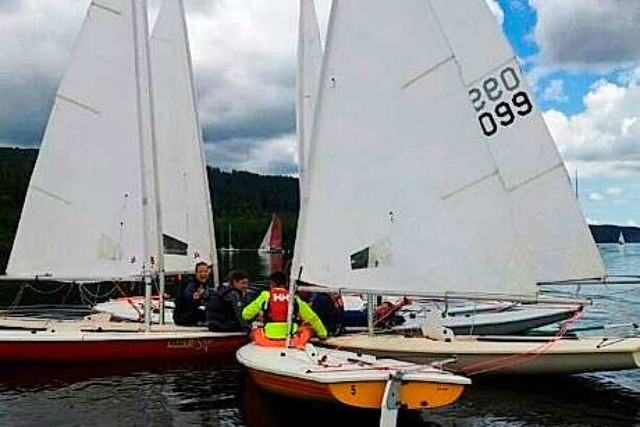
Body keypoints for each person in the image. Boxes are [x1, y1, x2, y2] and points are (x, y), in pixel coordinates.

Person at [242, 271, 327, 348]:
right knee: (308, 328)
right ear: (286, 284)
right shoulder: (294, 298)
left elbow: (246, 314)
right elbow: (313, 318)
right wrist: (323, 334)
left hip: (267, 339)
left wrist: (260, 313)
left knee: (254, 331)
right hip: (292, 340)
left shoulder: (265, 296)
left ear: (271, 284)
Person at [173, 261, 211, 326]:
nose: (203, 274)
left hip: (189, 314)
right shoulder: (191, 284)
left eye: (205, 271)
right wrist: (195, 296)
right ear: (196, 273)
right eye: (200, 272)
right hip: (183, 317)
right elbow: (189, 295)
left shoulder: (205, 284)